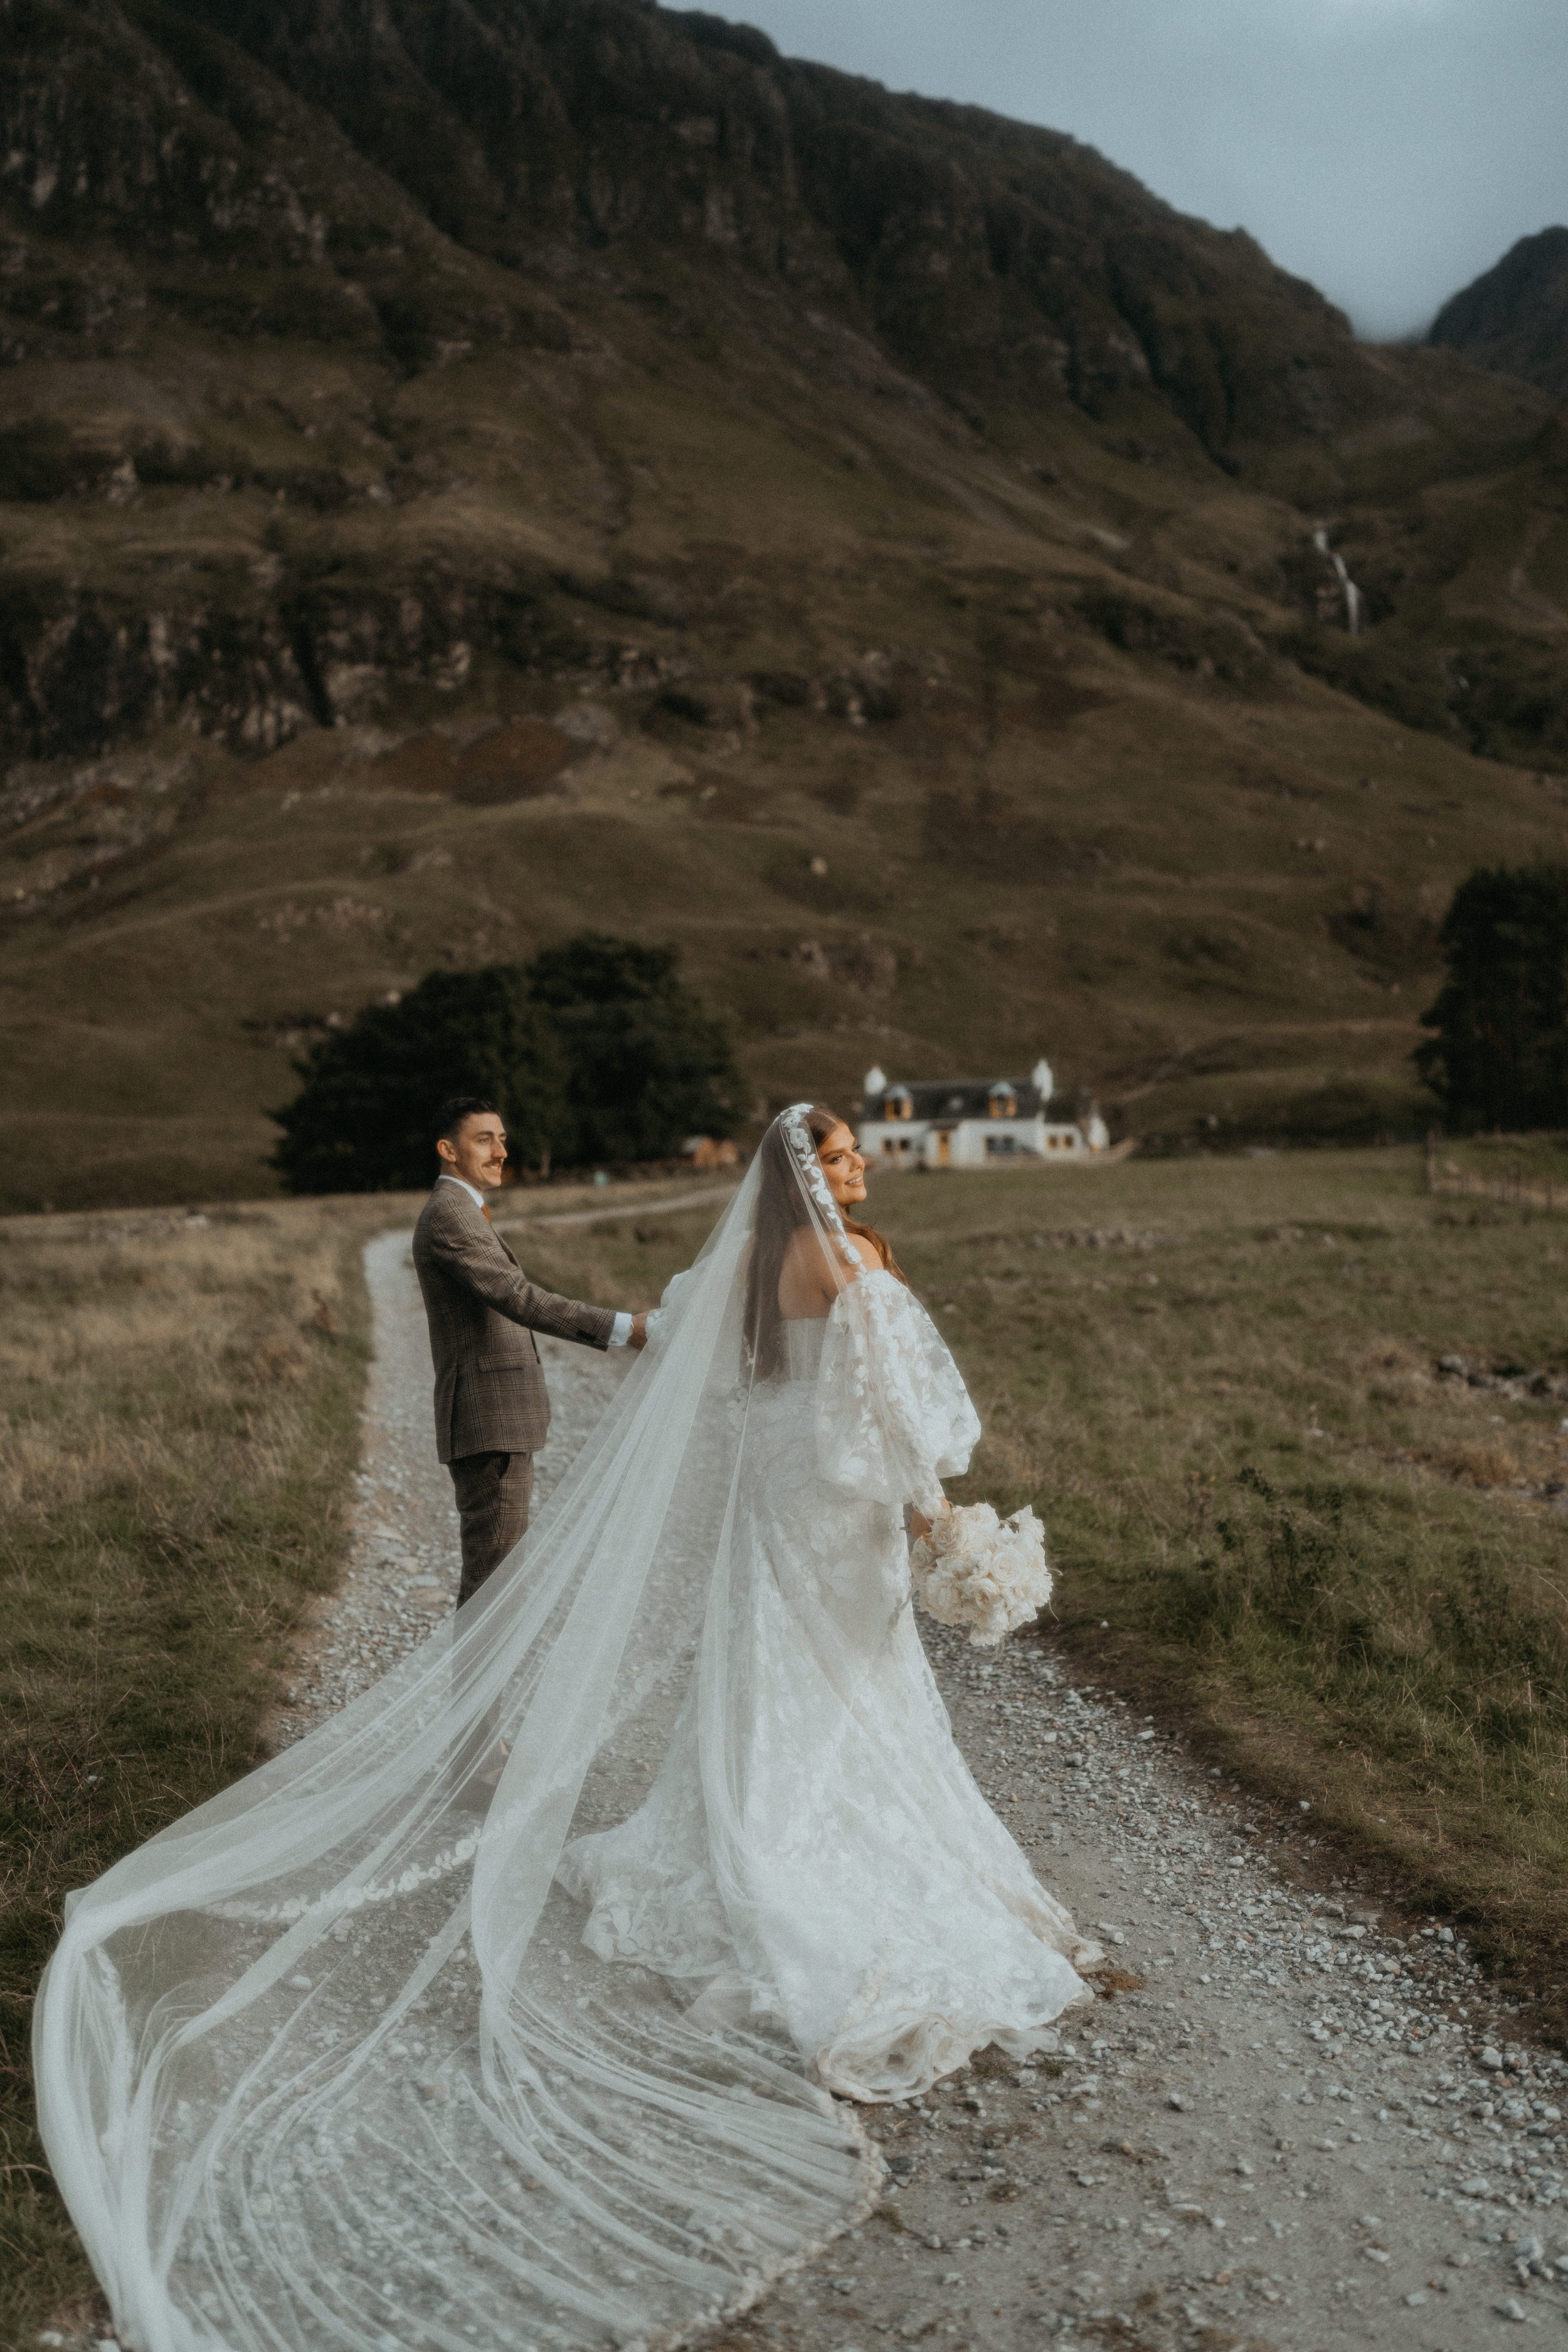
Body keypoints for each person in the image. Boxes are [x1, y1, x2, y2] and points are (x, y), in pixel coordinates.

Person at [34, 1104, 1100, 2352]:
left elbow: (728, 1379)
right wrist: (941, 1524)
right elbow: (895, 1418)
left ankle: (731, 1830)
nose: (861, 1165)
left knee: (769, 1686)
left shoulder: (747, 1268)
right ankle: (791, 1863)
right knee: (849, 1693)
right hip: (836, 1507)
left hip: (775, 1498)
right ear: (812, 1171)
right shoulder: (855, 1260)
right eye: (845, 1151)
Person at [411, 1095, 647, 1608]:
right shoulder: (449, 1215)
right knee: (492, 1589)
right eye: (484, 1139)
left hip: (498, 1420)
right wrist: (624, 1328)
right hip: (487, 1419)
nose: (500, 1151)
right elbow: (519, 1298)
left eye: (502, 1139)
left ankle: (488, 1692)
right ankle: (479, 1692)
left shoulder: (464, 1209)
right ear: (447, 1150)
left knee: (499, 1582)